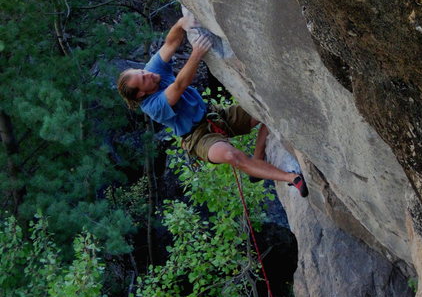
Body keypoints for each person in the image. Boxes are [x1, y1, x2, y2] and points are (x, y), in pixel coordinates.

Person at [117, 16, 308, 196]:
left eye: (142, 71)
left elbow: (171, 43)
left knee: (267, 108)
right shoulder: (151, 106)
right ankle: (291, 177)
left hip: (215, 116)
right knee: (230, 155)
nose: (148, 73)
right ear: (141, 93)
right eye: (143, 78)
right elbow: (179, 86)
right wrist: (196, 54)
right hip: (198, 137)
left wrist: (182, 23)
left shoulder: (152, 72)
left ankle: (258, 160)